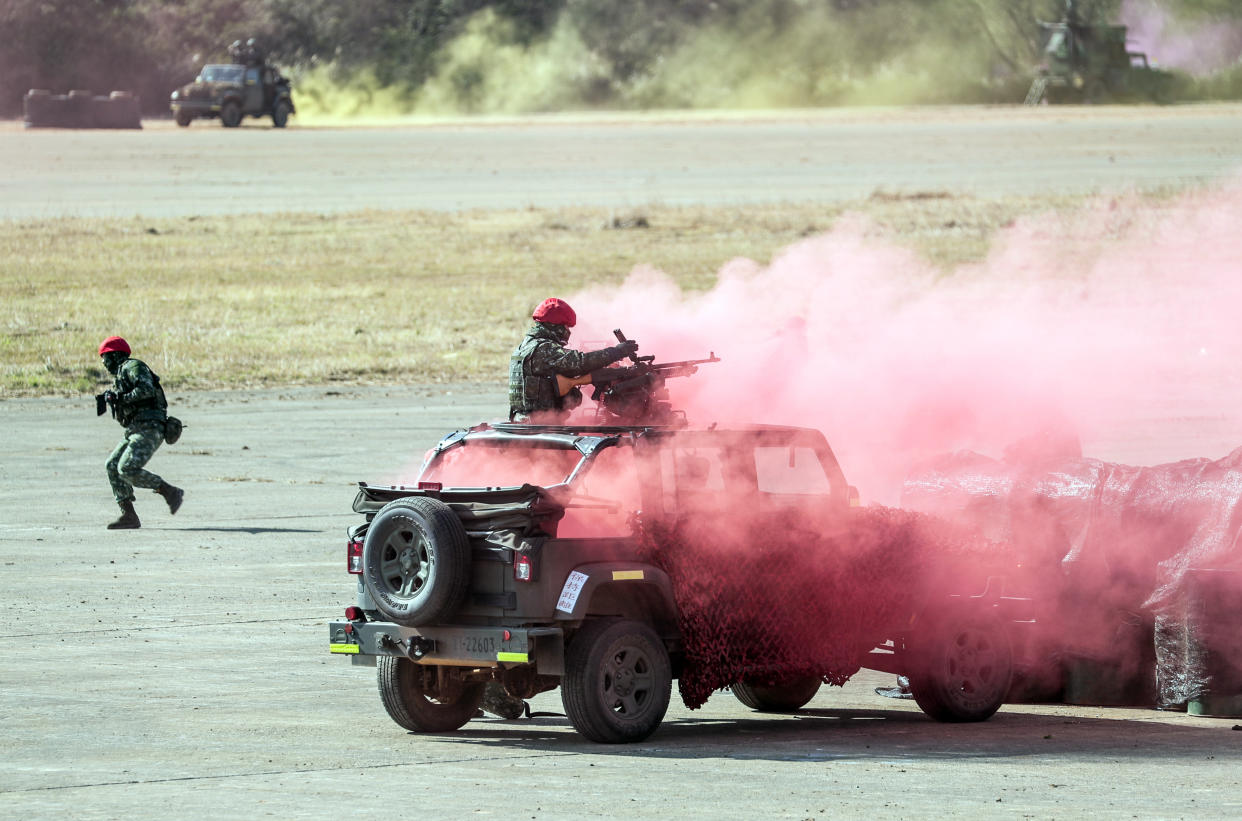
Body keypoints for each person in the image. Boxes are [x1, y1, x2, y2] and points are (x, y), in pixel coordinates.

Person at [98, 336, 184, 529]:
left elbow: (146, 390)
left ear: (114, 355)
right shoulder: (120, 375)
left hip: (150, 426)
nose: (103, 363)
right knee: (112, 465)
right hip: (135, 428)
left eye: (104, 358)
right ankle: (128, 515)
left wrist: (121, 397)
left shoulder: (132, 366)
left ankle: (169, 491)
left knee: (126, 468)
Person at [508, 298, 639, 423]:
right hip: (541, 426)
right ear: (556, 326)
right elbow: (579, 363)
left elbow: (565, 362)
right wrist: (616, 352)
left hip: (523, 421)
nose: (568, 331)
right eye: (566, 327)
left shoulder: (526, 346)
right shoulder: (544, 348)